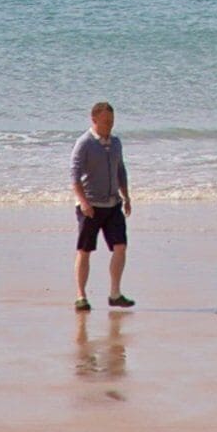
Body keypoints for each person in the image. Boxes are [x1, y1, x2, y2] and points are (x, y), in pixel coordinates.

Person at [73, 102, 132, 313]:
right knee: (85, 250)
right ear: (94, 120)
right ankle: (81, 295)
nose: (110, 126)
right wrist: (84, 202)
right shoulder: (84, 143)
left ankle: (115, 294)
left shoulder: (116, 143)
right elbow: (74, 176)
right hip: (90, 206)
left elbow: (121, 170)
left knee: (120, 247)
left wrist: (126, 196)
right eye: (106, 122)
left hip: (113, 203)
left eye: (112, 122)